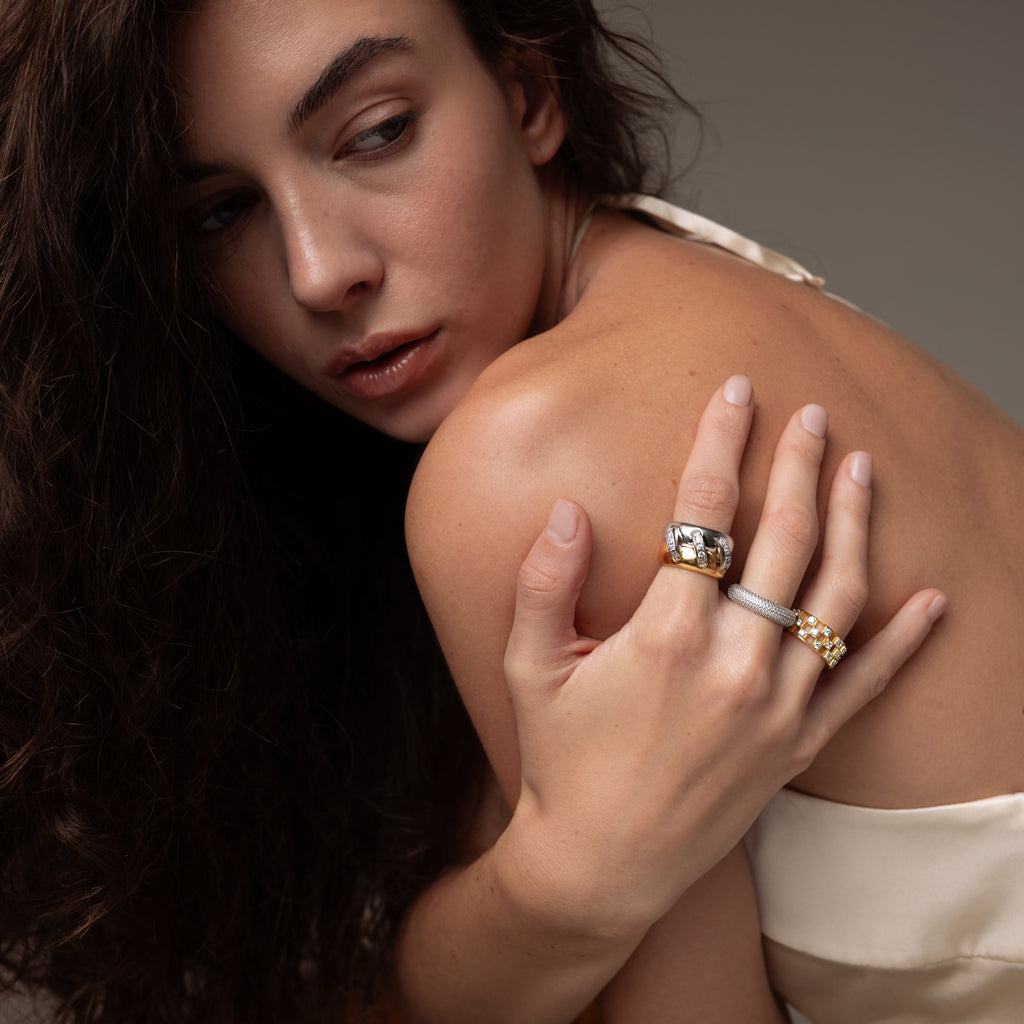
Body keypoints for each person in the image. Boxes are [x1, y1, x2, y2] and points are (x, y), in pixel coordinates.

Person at [0, 5, 994, 1024]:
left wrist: (564, 881)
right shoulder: (688, 283)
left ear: (527, 93)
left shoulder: (532, 456)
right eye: (219, 211)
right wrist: (556, 878)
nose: (317, 270)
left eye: (376, 131)